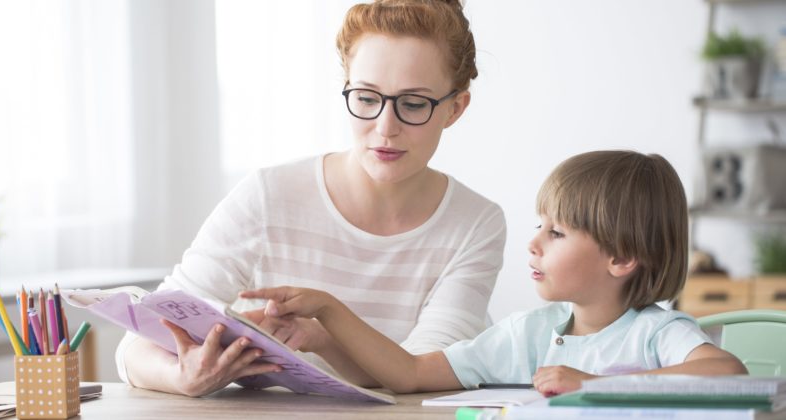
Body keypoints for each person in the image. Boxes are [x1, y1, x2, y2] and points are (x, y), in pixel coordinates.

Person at [117, 0, 507, 397]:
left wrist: (324, 335)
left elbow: (423, 372)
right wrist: (183, 377)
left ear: (455, 108)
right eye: (368, 98)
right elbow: (138, 344)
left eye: (413, 104)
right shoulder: (270, 196)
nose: (386, 128)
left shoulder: (475, 223)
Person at [242, 150, 748, 397]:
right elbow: (409, 374)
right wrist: (326, 326)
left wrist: (593, 384)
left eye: (557, 233)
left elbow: (728, 373)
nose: (533, 242)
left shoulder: (657, 333)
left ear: (620, 258)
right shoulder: (527, 334)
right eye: (539, 225)